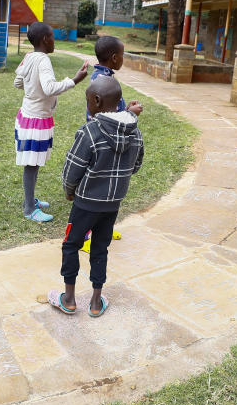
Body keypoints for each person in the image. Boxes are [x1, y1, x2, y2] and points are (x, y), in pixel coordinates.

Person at [48, 76, 144, 317]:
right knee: (100, 248)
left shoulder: (89, 132)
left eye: (88, 100)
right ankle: (95, 301)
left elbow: (72, 170)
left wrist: (70, 192)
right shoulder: (136, 133)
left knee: (71, 245)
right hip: (112, 206)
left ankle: (69, 299)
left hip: (85, 204)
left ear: (97, 101)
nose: (87, 104)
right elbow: (135, 166)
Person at [14, 21, 91, 222]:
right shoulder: (43, 61)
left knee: (33, 162)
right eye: (53, 38)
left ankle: (29, 200)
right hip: (36, 119)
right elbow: (49, 88)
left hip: (27, 115)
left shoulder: (28, 57)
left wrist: (32, 92)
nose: (54, 42)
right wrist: (74, 80)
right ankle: (29, 209)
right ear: (45, 40)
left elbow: (17, 82)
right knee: (32, 164)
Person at [80, 36, 142, 251]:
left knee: (109, 188)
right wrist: (129, 113)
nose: (123, 59)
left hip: (108, 139)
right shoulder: (102, 80)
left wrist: (126, 111)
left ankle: (103, 229)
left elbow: (111, 112)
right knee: (96, 189)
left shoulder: (104, 76)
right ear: (115, 58)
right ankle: (86, 236)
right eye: (123, 56)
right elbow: (104, 116)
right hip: (102, 142)